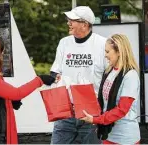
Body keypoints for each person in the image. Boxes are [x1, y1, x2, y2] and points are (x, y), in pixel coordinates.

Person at [0, 35, 55, 144]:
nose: (2, 56)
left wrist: (8, 101)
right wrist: (40, 80)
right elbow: (16, 93)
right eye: (0, 53)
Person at [50, 6, 107, 144]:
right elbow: (55, 70)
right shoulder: (64, 42)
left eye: (72, 20)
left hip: (92, 111)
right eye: (68, 19)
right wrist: (55, 76)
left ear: (85, 24)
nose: (68, 23)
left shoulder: (102, 43)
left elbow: (110, 75)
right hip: (66, 110)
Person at [81, 34, 140, 144]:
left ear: (119, 52)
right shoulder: (109, 72)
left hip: (125, 138)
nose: (105, 55)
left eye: (108, 52)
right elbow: (103, 102)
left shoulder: (130, 75)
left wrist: (96, 120)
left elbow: (122, 109)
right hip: (108, 135)